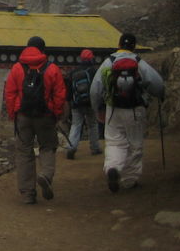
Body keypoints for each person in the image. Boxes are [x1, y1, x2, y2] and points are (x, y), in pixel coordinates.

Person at [90, 32, 165, 192]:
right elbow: (157, 84)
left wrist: (98, 108)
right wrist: (160, 95)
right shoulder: (139, 63)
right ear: (134, 46)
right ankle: (130, 180)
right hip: (135, 109)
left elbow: (95, 88)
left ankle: (113, 168)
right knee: (134, 144)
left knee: (115, 142)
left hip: (113, 109)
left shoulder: (108, 62)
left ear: (119, 45)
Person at [4, 36, 67, 204]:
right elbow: (60, 95)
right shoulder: (52, 69)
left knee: (24, 152)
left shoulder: (17, 68)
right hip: (45, 116)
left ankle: (27, 194)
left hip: (23, 116)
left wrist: (13, 114)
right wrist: (57, 113)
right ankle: (45, 175)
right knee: (47, 147)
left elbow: (10, 93)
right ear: (43, 50)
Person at [65, 49, 101, 159]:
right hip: (91, 103)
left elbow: (69, 91)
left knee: (76, 125)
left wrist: (69, 102)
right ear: (91, 58)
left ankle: (71, 147)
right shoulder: (94, 71)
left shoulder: (74, 72)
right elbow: (98, 88)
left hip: (77, 104)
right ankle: (95, 148)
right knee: (93, 125)